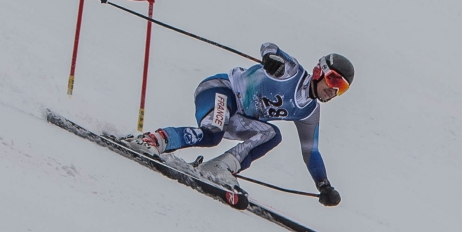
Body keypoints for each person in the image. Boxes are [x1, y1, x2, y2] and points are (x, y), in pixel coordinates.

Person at [122, 43, 353, 207]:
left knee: (272, 134)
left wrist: (323, 185)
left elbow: (310, 150)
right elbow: (269, 46)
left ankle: (220, 168)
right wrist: (270, 60)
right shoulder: (292, 72)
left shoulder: (310, 111)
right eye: (333, 79)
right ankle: (152, 140)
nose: (333, 90)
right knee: (212, 133)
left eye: (340, 88)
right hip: (221, 90)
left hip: (238, 117)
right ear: (318, 72)